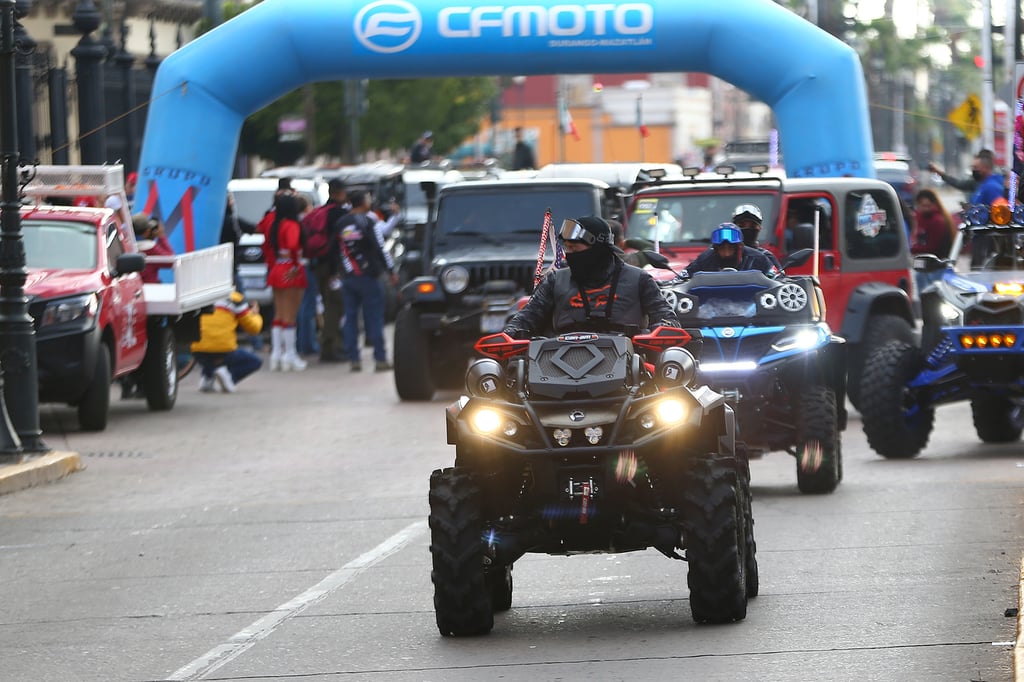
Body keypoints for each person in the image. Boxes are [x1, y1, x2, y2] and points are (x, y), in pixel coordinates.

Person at [503, 215, 678, 338]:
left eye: (575, 250)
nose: (569, 255)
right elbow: (526, 318)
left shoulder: (640, 279)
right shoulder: (555, 281)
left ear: (599, 250)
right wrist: (510, 332)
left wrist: (663, 328)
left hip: (631, 370)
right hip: (558, 367)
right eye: (568, 249)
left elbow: (667, 319)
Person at [333, 190, 396, 372]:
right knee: (374, 318)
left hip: (348, 278)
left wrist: (337, 272)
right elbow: (380, 248)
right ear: (363, 202)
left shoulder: (341, 223)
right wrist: (390, 270)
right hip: (368, 277)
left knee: (350, 317)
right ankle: (380, 359)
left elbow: (334, 249)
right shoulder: (368, 221)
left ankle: (354, 359)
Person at [262, 193, 308, 371]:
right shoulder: (292, 225)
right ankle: (290, 355)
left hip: (277, 268)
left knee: (279, 315)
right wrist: (296, 265)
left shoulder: (275, 224)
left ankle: (276, 355)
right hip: (291, 269)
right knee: (290, 316)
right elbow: (294, 245)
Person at [191, 290, 264, 393]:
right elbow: (254, 328)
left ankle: (207, 377)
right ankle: (228, 377)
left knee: (207, 352)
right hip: (223, 351)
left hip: (197, 350)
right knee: (255, 361)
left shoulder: (197, 294)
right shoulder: (234, 298)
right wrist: (255, 314)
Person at [312, 178, 350, 362]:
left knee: (329, 304)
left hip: (319, 264)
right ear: (339, 193)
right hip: (333, 267)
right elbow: (338, 245)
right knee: (335, 307)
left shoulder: (321, 212)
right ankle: (330, 348)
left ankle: (332, 345)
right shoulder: (339, 214)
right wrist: (335, 272)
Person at [684, 223, 776, 277]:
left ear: (740, 247)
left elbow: (778, 279)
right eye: (722, 248)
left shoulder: (758, 258)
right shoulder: (704, 259)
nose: (727, 253)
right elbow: (681, 278)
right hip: (711, 305)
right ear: (715, 249)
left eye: (730, 247)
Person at [910, 188, 956, 291]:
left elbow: (931, 246)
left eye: (928, 206)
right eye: (922, 206)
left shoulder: (937, 221)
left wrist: (912, 249)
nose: (925, 209)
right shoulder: (920, 217)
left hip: (937, 266)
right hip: (925, 265)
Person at [731, 203, 783, 270]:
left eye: (753, 226)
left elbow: (779, 278)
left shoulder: (766, 257)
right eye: (741, 225)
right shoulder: (724, 254)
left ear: (760, 228)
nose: (747, 229)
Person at [132, 213, 174, 283]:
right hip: (151, 288)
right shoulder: (151, 248)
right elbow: (171, 261)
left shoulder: (125, 247)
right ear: (146, 232)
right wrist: (161, 236)